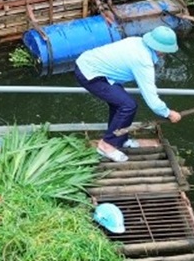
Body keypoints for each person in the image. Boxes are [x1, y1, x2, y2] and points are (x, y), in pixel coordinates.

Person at [74, 25, 183, 163]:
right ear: (160, 50)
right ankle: (106, 145)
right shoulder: (143, 61)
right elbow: (151, 98)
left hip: (93, 66)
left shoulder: (136, 41)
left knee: (120, 103)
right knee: (128, 105)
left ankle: (120, 139)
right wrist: (168, 113)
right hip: (90, 73)